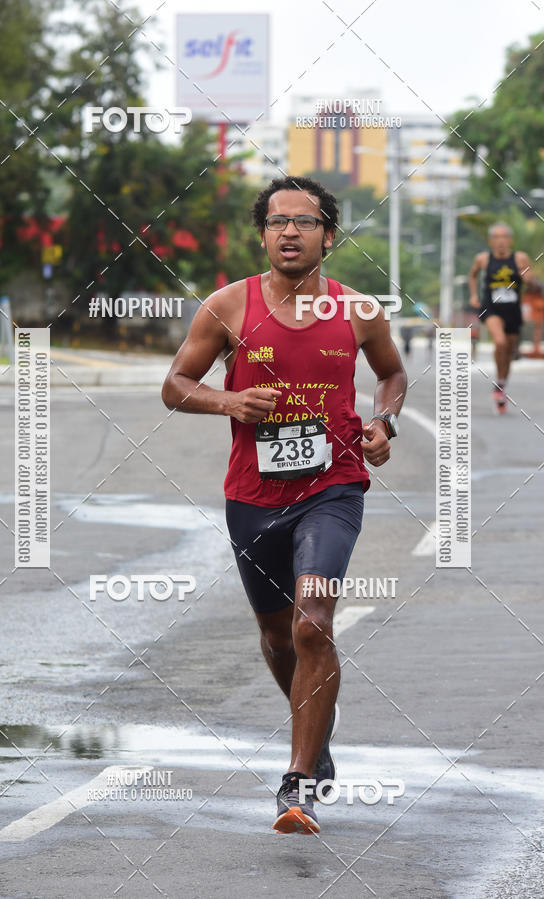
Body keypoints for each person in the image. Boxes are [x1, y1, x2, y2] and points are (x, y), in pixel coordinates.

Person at [161, 175, 407, 834]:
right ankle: (315, 735)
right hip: (253, 497)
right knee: (277, 636)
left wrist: (385, 423)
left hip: (333, 487)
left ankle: (297, 783)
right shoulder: (227, 306)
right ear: (263, 233)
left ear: (329, 233)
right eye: (276, 221)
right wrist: (227, 401)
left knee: (312, 624)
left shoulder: (358, 310)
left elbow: (392, 373)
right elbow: (175, 384)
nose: (289, 231)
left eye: (304, 220)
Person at [468, 222, 536, 413]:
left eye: (504, 237)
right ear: (490, 241)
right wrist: (473, 295)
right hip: (491, 308)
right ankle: (500, 386)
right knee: (500, 342)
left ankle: (501, 384)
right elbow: (472, 276)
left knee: (509, 350)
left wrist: (527, 276)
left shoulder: (520, 258)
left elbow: (530, 281)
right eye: (496, 237)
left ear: (510, 240)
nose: (501, 241)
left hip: (513, 310)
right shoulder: (483, 259)